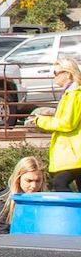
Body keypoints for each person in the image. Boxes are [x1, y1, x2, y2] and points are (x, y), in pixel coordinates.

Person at [31, 55, 81, 192]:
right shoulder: (70, 94)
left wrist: (40, 120)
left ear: (68, 74)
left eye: (56, 73)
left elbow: (67, 123)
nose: (54, 77)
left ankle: (69, 212)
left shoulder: (74, 94)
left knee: (59, 183)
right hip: (73, 153)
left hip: (74, 153)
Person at [0, 154, 48, 234]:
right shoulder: (3, 202)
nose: (34, 186)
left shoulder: (47, 202)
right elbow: (0, 233)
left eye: (38, 181)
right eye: (29, 181)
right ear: (18, 179)